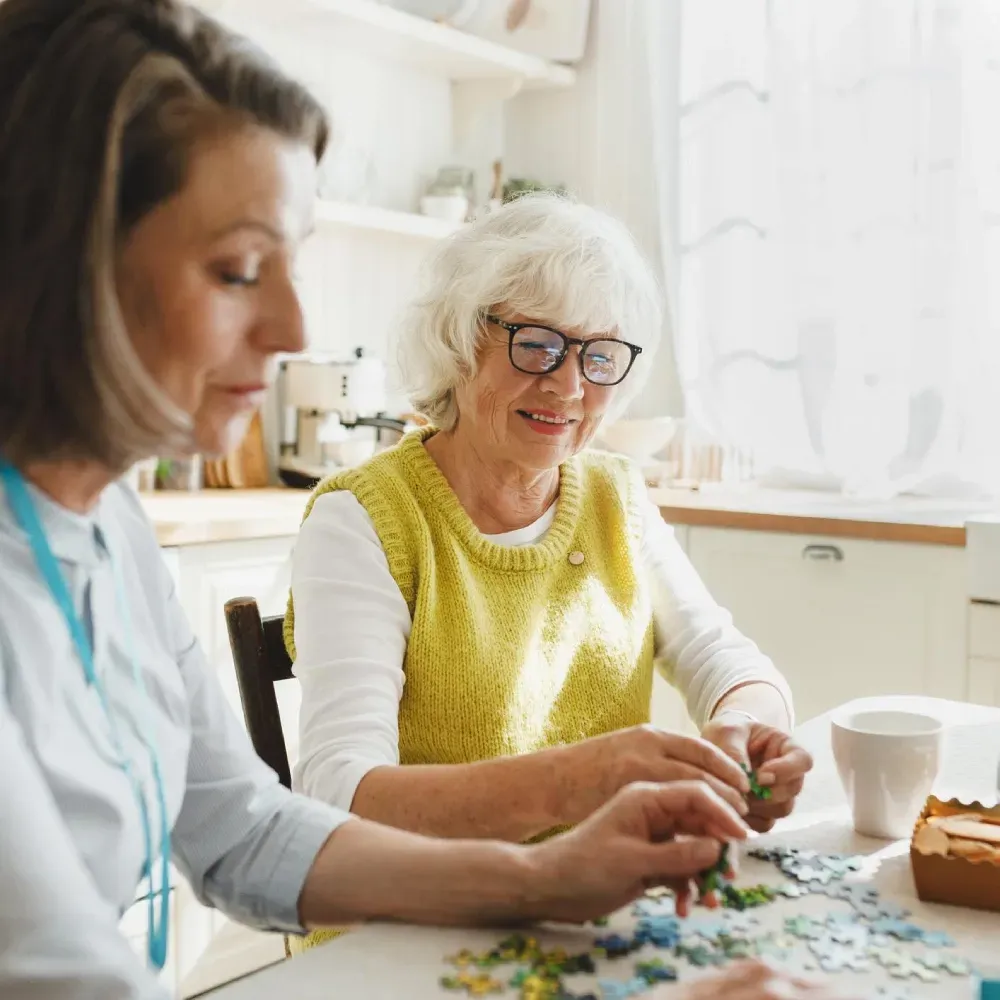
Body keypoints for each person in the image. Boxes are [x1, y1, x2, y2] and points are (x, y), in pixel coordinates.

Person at [0, 2, 852, 1000]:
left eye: (293, 262)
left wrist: (544, 875)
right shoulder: (368, 515)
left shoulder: (109, 524)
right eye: (238, 268)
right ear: (60, 263)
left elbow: (239, 826)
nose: (294, 325)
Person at [286, 195, 813, 852]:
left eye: (598, 357)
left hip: (597, 906)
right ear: (458, 341)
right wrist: (575, 783)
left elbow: (722, 657)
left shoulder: (613, 495)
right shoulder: (363, 519)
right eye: (536, 346)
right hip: (419, 920)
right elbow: (340, 793)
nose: (568, 388)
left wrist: (751, 731)